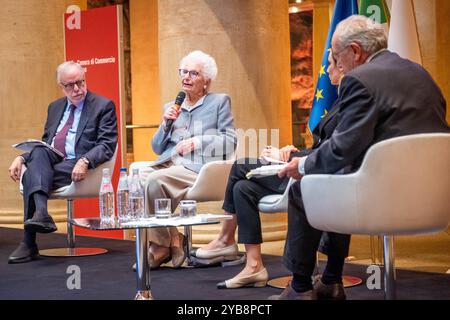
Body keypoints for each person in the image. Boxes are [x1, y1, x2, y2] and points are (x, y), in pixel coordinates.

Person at [271, 15, 450, 300]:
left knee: (305, 189)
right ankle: (330, 281)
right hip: (432, 197)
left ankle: (301, 288)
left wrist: (301, 165)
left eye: (336, 55)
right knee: (339, 178)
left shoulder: (360, 78)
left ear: (355, 51)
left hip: (382, 198)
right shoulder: (420, 73)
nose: (336, 64)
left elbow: (342, 148)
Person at [191, 50, 345, 289]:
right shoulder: (340, 99)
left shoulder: (350, 99)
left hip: (314, 176)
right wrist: (294, 150)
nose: (328, 70)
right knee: (243, 188)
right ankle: (254, 266)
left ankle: (225, 238)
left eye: (332, 64)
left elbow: (336, 150)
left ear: (344, 65)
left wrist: (291, 156)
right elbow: (324, 145)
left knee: (241, 165)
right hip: (308, 165)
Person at [8, 61, 118, 264]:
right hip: (53, 159)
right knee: (39, 153)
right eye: (70, 85)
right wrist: (21, 157)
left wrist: (85, 160)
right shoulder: (55, 107)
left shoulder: (103, 106)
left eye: (80, 82)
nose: (77, 89)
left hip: (79, 163)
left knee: (33, 173)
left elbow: (107, 144)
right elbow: (46, 142)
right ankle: (41, 214)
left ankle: (29, 241)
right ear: (61, 86)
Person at [136, 50, 237, 269]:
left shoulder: (219, 102)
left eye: (193, 73)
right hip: (170, 163)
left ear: (206, 81)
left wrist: (198, 142)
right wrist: (165, 125)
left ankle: (160, 247)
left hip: (199, 167)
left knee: (154, 181)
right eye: (184, 72)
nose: (186, 77)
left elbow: (230, 141)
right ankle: (172, 238)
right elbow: (156, 148)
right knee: (136, 177)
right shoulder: (172, 106)